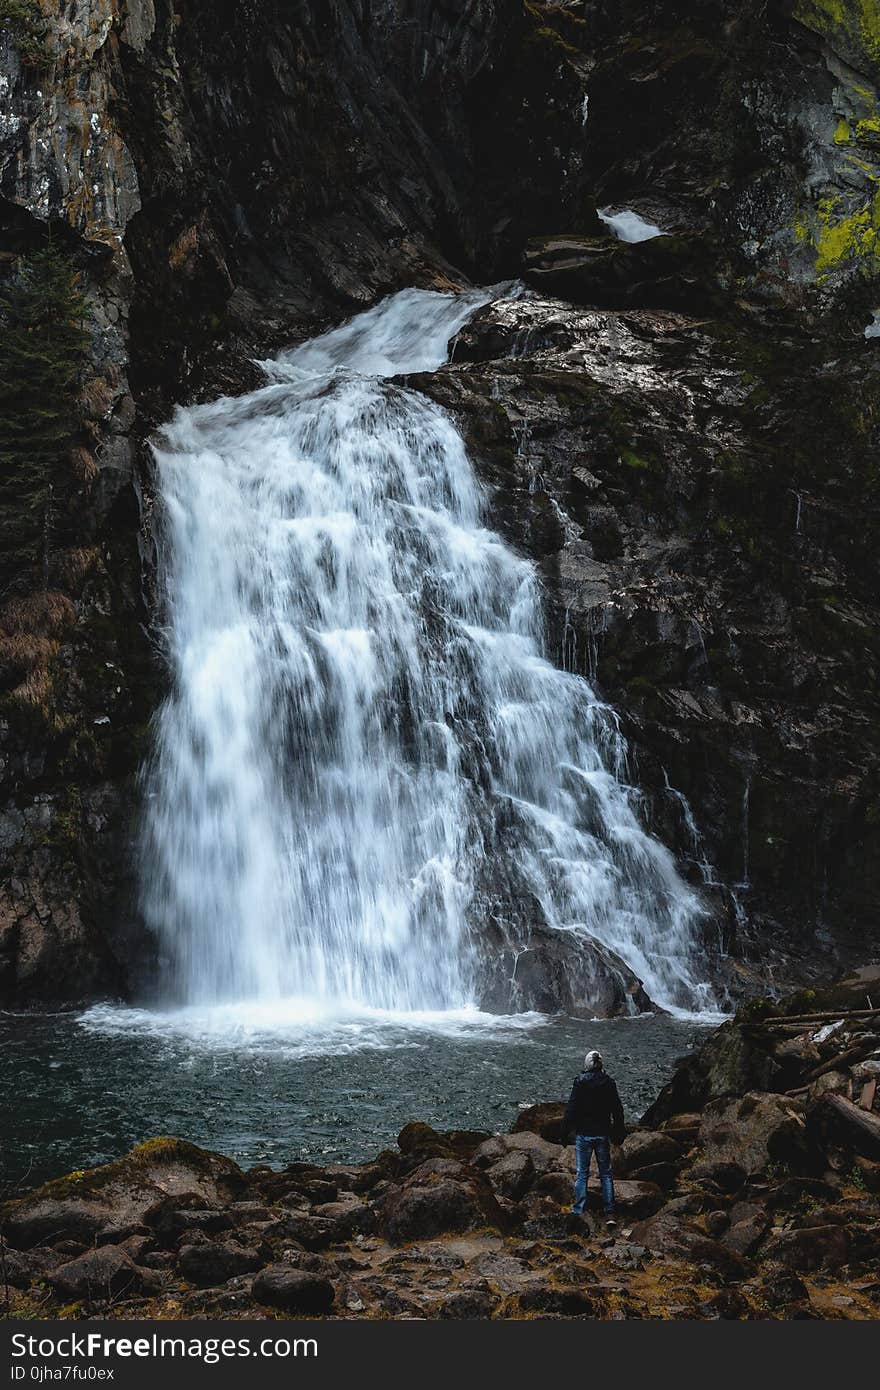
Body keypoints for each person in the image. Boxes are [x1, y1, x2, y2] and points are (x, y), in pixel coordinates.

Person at [564, 1048, 625, 1228]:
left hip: (584, 1134)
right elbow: (617, 1109)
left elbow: (571, 1108)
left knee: (582, 1173)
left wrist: (565, 1131)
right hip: (603, 1133)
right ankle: (610, 1213)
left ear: (587, 1064)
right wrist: (619, 1130)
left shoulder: (580, 1083)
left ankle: (578, 1209)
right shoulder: (609, 1083)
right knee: (605, 1173)